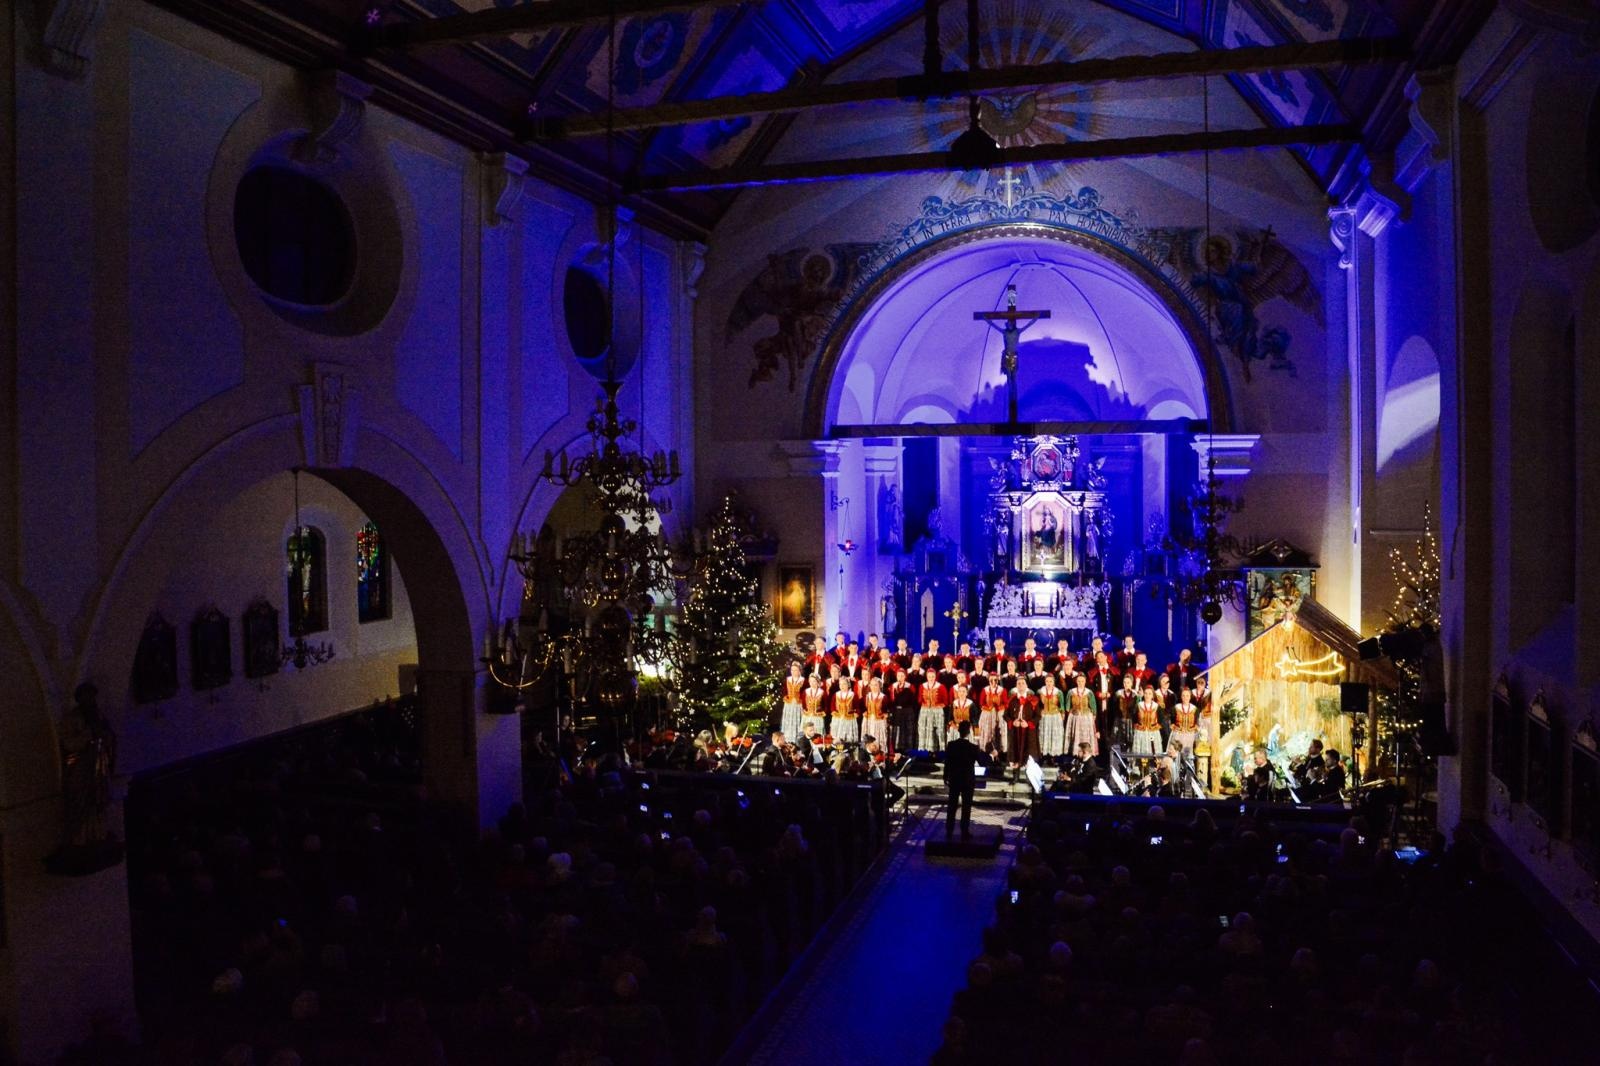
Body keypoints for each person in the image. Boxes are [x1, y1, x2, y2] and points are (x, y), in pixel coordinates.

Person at [944, 720, 982, 839]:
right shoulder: (973, 748)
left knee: (952, 805)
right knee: (966, 806)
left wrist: (945, 776)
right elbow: (982, 762)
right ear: (969, 732)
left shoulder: (951, 745)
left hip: (954, 779)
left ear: (959, 731)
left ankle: (949, 830)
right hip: (967, 780)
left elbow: (947, 763)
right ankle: (964, 831)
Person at [1065, 674, 1099, 758]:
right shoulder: (1071, 692)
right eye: (1079, 681)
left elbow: (1093, 707)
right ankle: (1076, 754)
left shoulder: (1089, 692)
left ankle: (1086, 754)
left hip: (1086, 718)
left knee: (1085, 737)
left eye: (1082, 681)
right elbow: (1067, 706)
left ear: (1085, 682)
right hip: (1075, 718)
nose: (1080, 683)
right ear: (1076, 682)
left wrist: (1093, 717)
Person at [918, 672, 949, 752]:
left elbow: (945, 702)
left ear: (935, 677)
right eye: (929, 676)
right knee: (924, 729)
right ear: (927, 677)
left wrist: (937, 706)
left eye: (933, 676)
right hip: (925, 711)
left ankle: (939, 751)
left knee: (938, 730)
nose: (931, 678)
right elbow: (919, 699)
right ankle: (924, 750)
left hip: (937, 711)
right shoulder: (922, 686)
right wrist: (925, 705)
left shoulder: (941, 687)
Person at [1037, 674, 1065, 759]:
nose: (1049, 683)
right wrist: (1040, 711)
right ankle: (1044, 755)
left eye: (1051, 681)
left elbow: (1062, 705)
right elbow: (1037, 705)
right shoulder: (1040, 692)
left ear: (1053, 682)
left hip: (1055, 716)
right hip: (1045, 716)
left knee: (1054, 735)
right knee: (1044, 735)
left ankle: (1053, 757)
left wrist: (1062, 713)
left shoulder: (1058, 692)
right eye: (1047, 681)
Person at [890, 669, 918, 753]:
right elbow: (892, 701)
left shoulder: (909, 687)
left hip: (907, 712)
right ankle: (897, 749)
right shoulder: (893, 686)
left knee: (907, 731)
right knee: (898, 731)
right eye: (898, 676)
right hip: (897, 712)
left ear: (905, 677)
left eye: (902, 676)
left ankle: (907, 750)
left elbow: (913, 701)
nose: (900, 678)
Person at [1132, 686, 1163, 759]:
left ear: (1152, 695)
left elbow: (1161, 719)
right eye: (1145, 693)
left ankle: (1154, 768)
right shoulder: (1139, 705)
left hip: (1153, 732)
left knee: (1153, 751)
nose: (1147, 695)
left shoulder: (1156, 706)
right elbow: (1134, 717)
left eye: (1149, 693)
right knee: (1140, 753)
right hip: (1140, 732)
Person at [780, 662, 806, 740]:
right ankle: (787, 737)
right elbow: (784, 690)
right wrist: (785, 697)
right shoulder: (788, 679)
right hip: (789, 704)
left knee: (797, 721)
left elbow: (805, 693)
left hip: (798, 705)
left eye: (796, 670)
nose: (794, 672)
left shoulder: (804, 681)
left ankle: (796, 738)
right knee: (788, 720)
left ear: (800, 671)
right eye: (792, 670)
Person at [863, 676, 890, 749]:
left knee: (878, 739)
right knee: (869, 739)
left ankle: (880, 755)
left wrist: (885, 715)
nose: (873, 687)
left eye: (876, 685)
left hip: (879, 721)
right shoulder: (867, 696)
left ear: (879, 686)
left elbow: (886, 710)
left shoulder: (883, 697)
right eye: (872, 685)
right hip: (869, 721)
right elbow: (864, 707)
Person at [831, 676, 860, 744]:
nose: (842, 686)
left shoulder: (853, 695)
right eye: (840, 684)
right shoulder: (836, 694)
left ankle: (848, 748)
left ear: (848, 685)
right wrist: (833, 711)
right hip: (838, 718)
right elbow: (832, 705)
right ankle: (838, 749)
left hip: (849, 719)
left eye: (844, 684)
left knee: (847, 737)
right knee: (837, 736)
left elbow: (857, 706)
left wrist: (857, 713)